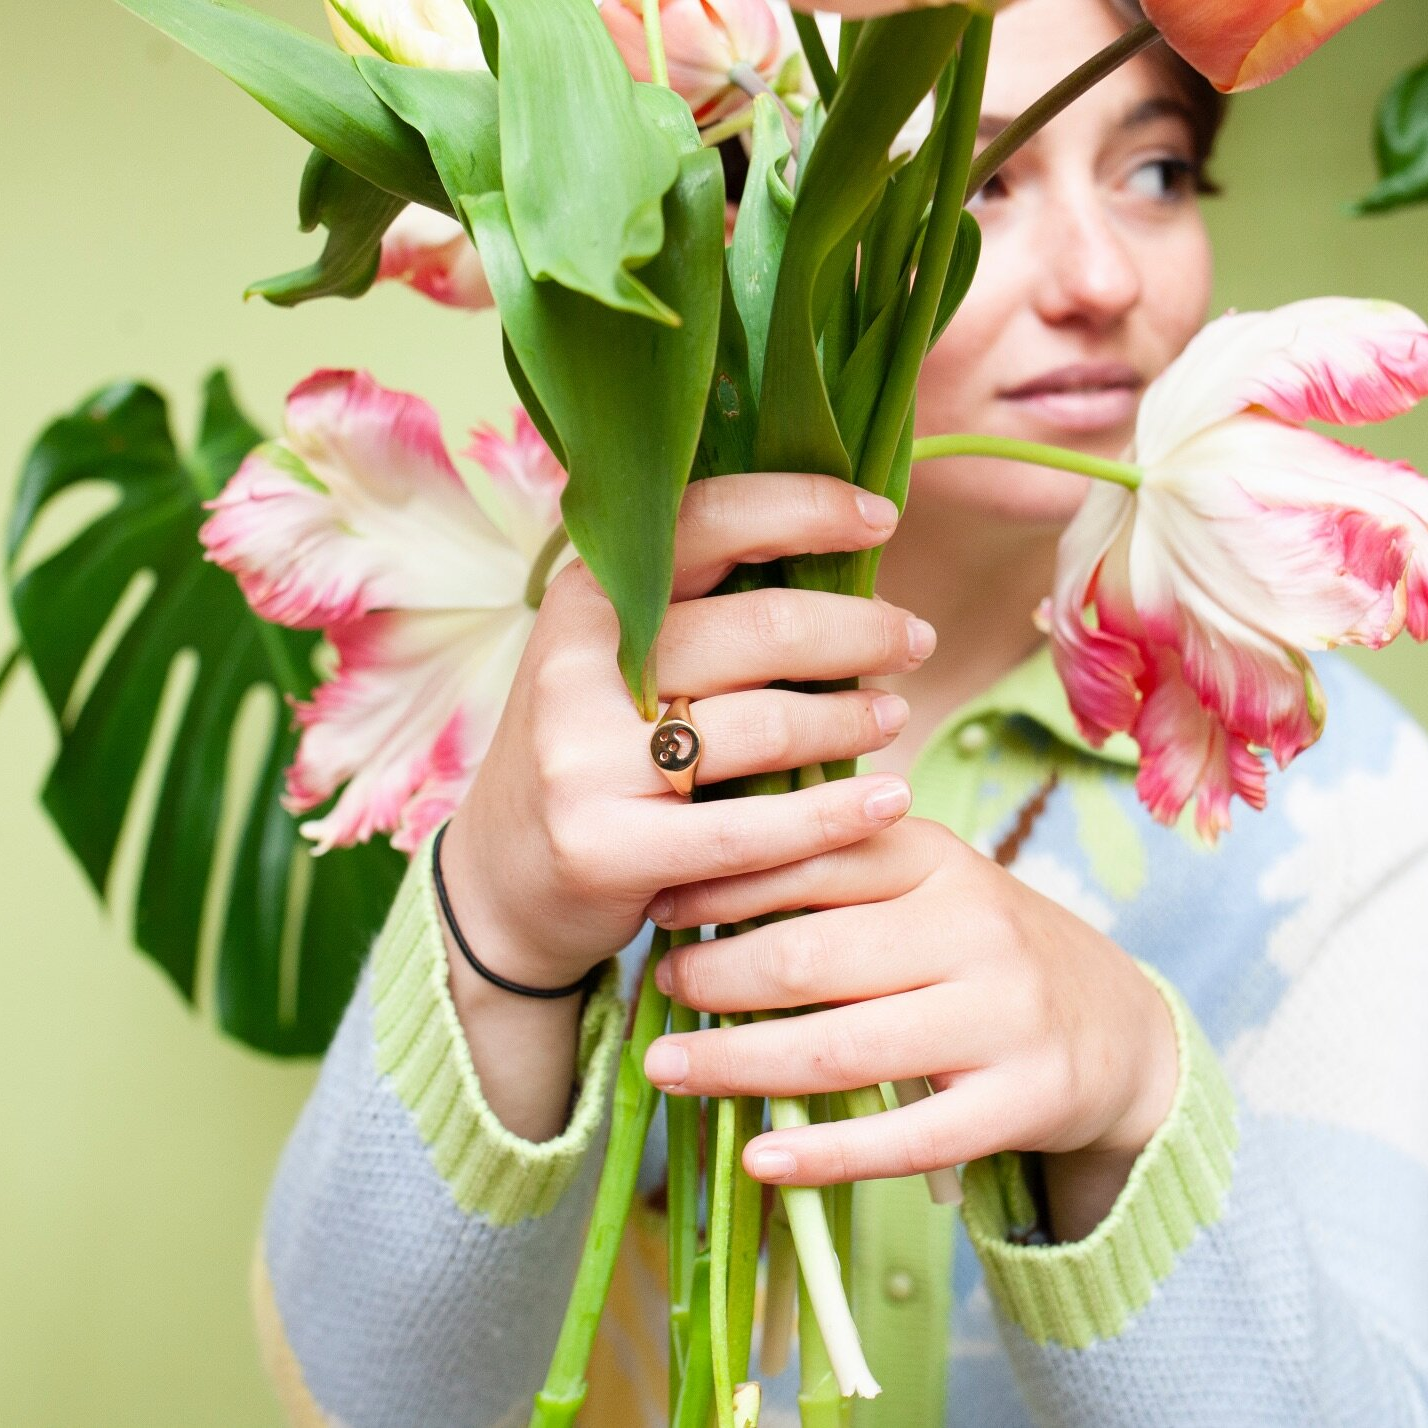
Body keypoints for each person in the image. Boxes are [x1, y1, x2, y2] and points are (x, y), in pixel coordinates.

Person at [249, 1, 1428, 1423]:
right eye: (979, 183)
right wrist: (497, 909)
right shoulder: (566, 739)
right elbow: (356, 1400)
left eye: (1156, 170)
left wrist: (1132, 1085)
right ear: (737, 229)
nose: (1103, 276)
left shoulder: (1352, 802)